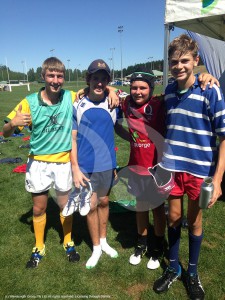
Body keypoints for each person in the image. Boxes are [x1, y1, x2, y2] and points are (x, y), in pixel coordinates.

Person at [3, 57, 118, 269]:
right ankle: (39, 246)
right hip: (38, 162)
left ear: (63, 78)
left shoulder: (70, 97)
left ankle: (68, 242)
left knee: (66, 207)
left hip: (64, 162)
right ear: (43, 76)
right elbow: (5, 132)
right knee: (39, 209)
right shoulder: (28, 101)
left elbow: (95, 88)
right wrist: (12, 124)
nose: (55, 80)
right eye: (51, 75)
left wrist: (111, 90)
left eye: (59, 76)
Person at [153, 34, 225, 300]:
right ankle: (174, 268)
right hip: (172, 166)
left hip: (199, 170)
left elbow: (223, 136)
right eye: (174, 62)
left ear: (196, 60)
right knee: (173, 218)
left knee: (194, 221)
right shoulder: (170, 91)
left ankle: (192, 273)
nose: (179, 66)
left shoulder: (210, 90)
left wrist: (217, 180)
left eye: (185, 60)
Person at [115, 72, 168, 270]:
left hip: (156, 169)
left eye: (142, 87)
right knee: (140, 206)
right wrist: (130, 137)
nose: (138, 91)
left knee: (157, 208)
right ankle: (142, 243)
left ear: (151, 89)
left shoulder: (159, 104)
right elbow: (110, 92)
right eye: (134, 87)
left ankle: (158, 245)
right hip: (136, 167)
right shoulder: (126, 102)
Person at [70, 59, 120, 269]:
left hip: (107, 165)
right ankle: (96, 247)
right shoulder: (77, 105)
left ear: (108, 81)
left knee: (104, 203)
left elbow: (119, 127)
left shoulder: (114, 103)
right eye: (95, 78)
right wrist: (75, 167)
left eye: (103, 79)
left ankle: (105, 240)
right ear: (88, 79)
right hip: (86, 167)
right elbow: (72, 139)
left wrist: (113, 91)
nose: (99, 83)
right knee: (90, 206)